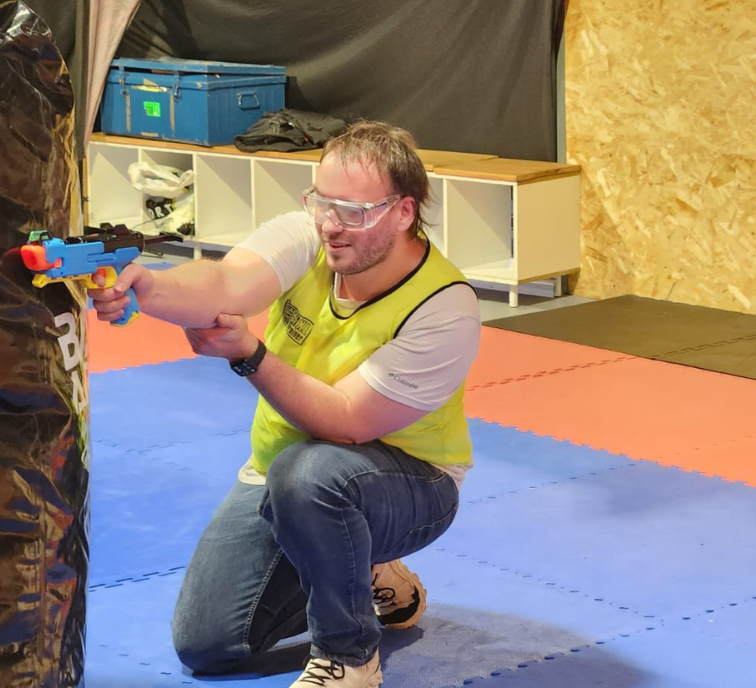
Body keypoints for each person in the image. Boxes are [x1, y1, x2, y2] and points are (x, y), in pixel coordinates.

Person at [88, 120, 481, 688]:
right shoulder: (310, 237)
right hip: (284, 476)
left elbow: (346, 424)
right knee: (208, 643)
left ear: (403, 211)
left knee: (312, 470)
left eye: (354, 211)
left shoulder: (446, 308)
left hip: (412, 485)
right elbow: (224, 284)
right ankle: (360, 564)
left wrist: (250, 354)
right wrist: (146, 288)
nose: (331, 224)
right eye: (322, 202)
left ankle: (348, 657)